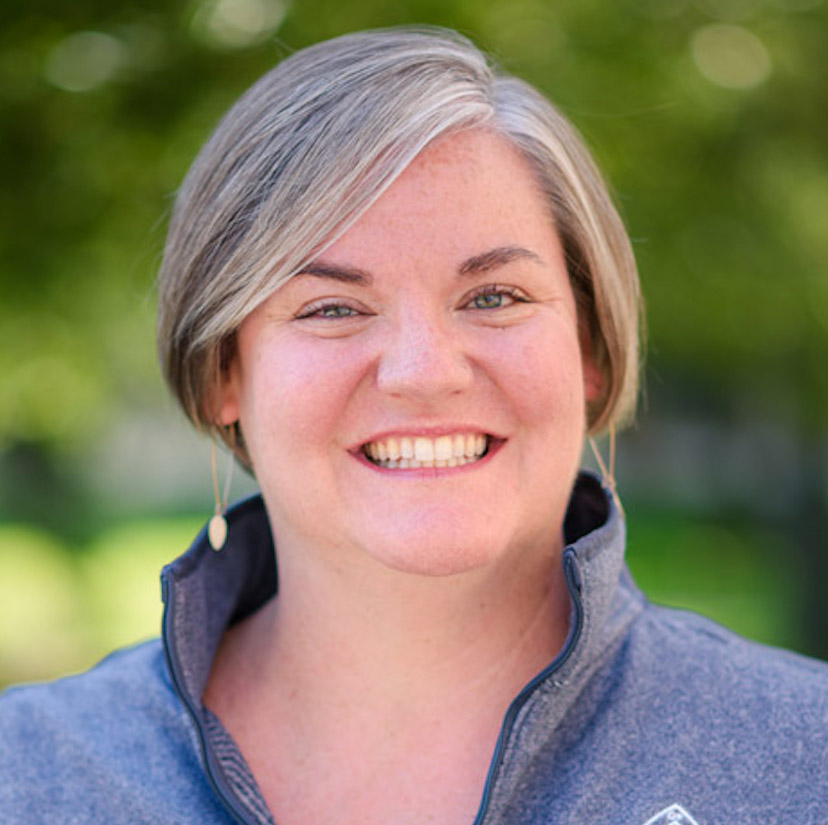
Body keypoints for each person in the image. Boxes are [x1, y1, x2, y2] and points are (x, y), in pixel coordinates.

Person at [1, 26, 826, 825]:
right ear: (225, 373)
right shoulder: (30, 773)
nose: (425, 371)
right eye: (332, 307)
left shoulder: (802, 759)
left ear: (591, 350)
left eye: (494, 296)